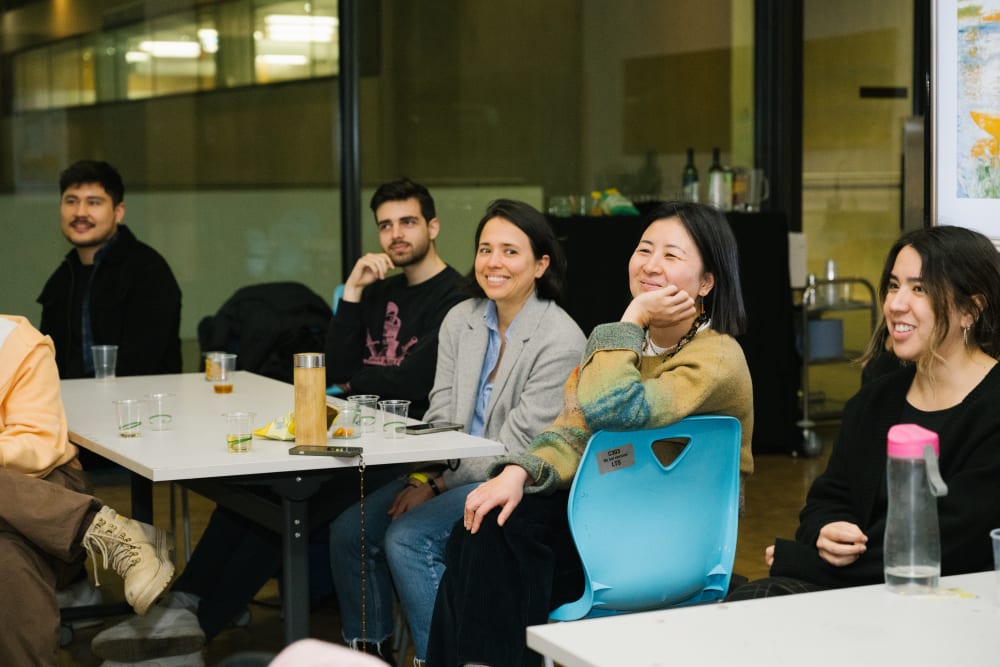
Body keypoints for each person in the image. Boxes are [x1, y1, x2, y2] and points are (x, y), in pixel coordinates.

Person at [90, 178, 468, 665]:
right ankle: (185, 602)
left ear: (433, 226)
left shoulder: (455, 298)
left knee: (292, 501)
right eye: (386, 225)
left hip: (400, 451)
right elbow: (334, 364)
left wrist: (355, 380)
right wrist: (352, 292)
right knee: (260, 489)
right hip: (350, 435)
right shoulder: (378, 291)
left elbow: (413, 382)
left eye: (408, 222)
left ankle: (194, 631)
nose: (396, 234)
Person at [427, 200, 755, 666]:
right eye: (644, 249)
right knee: (485, 525)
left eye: (671, 255)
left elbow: (614, 408)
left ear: (706, 282)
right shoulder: (620, 348)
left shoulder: (717, 358)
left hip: (669, 543)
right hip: (609, 521)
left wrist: (633, 315)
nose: (650, 265)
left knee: (499, 554)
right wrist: (519, 473)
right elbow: (573, 429)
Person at [329, 199, 586, 664]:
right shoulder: (462, 319)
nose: (493, 262)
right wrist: (423, 477)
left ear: (540, 264)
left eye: (510, 251)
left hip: (512, 483)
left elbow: (518, 447)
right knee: (350, 531)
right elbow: (441, 414)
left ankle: (440, 657)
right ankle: (368, 655)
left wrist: (438, 480)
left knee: (408, 541)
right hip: (447, 472)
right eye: (485, 249)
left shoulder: (561, 338)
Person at [728, 225, 1000, 600]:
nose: (896, 304)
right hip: (864, 596)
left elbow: (949, 546)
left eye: (919, 288)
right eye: (893, 285)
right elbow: (826, 500)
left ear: (971, 309)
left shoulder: (992, 407)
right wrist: (826, 532)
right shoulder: (876, 400)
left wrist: (804, 561)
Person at [0, 314, 174, 665]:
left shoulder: (15, 343)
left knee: (8, 562)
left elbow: (40, 443)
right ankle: (105, 531)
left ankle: (93, 527)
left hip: (44, 491)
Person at [37, 159, 182, 379]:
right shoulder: (62, 279)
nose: (80, 212)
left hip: (138, 408)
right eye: (71, 201)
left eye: (93, 202)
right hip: (70, 407)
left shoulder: (147, 271)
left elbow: (143, 364)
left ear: (118, 211)